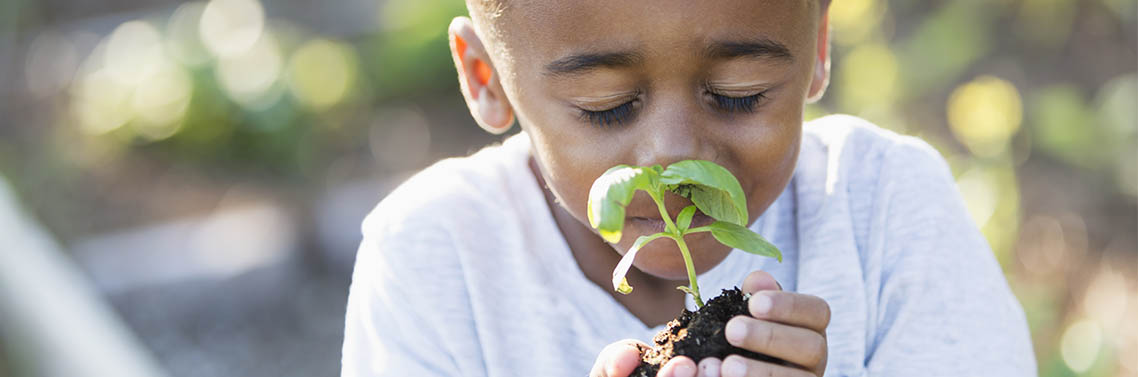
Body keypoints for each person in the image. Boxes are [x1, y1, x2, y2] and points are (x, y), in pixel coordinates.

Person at [341, 1, 1037, 376]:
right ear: (487, 78)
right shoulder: (431, 258)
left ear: (819, 45)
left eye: (740, 94)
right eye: (606, 104)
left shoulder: (886, 209)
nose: (673, 156)